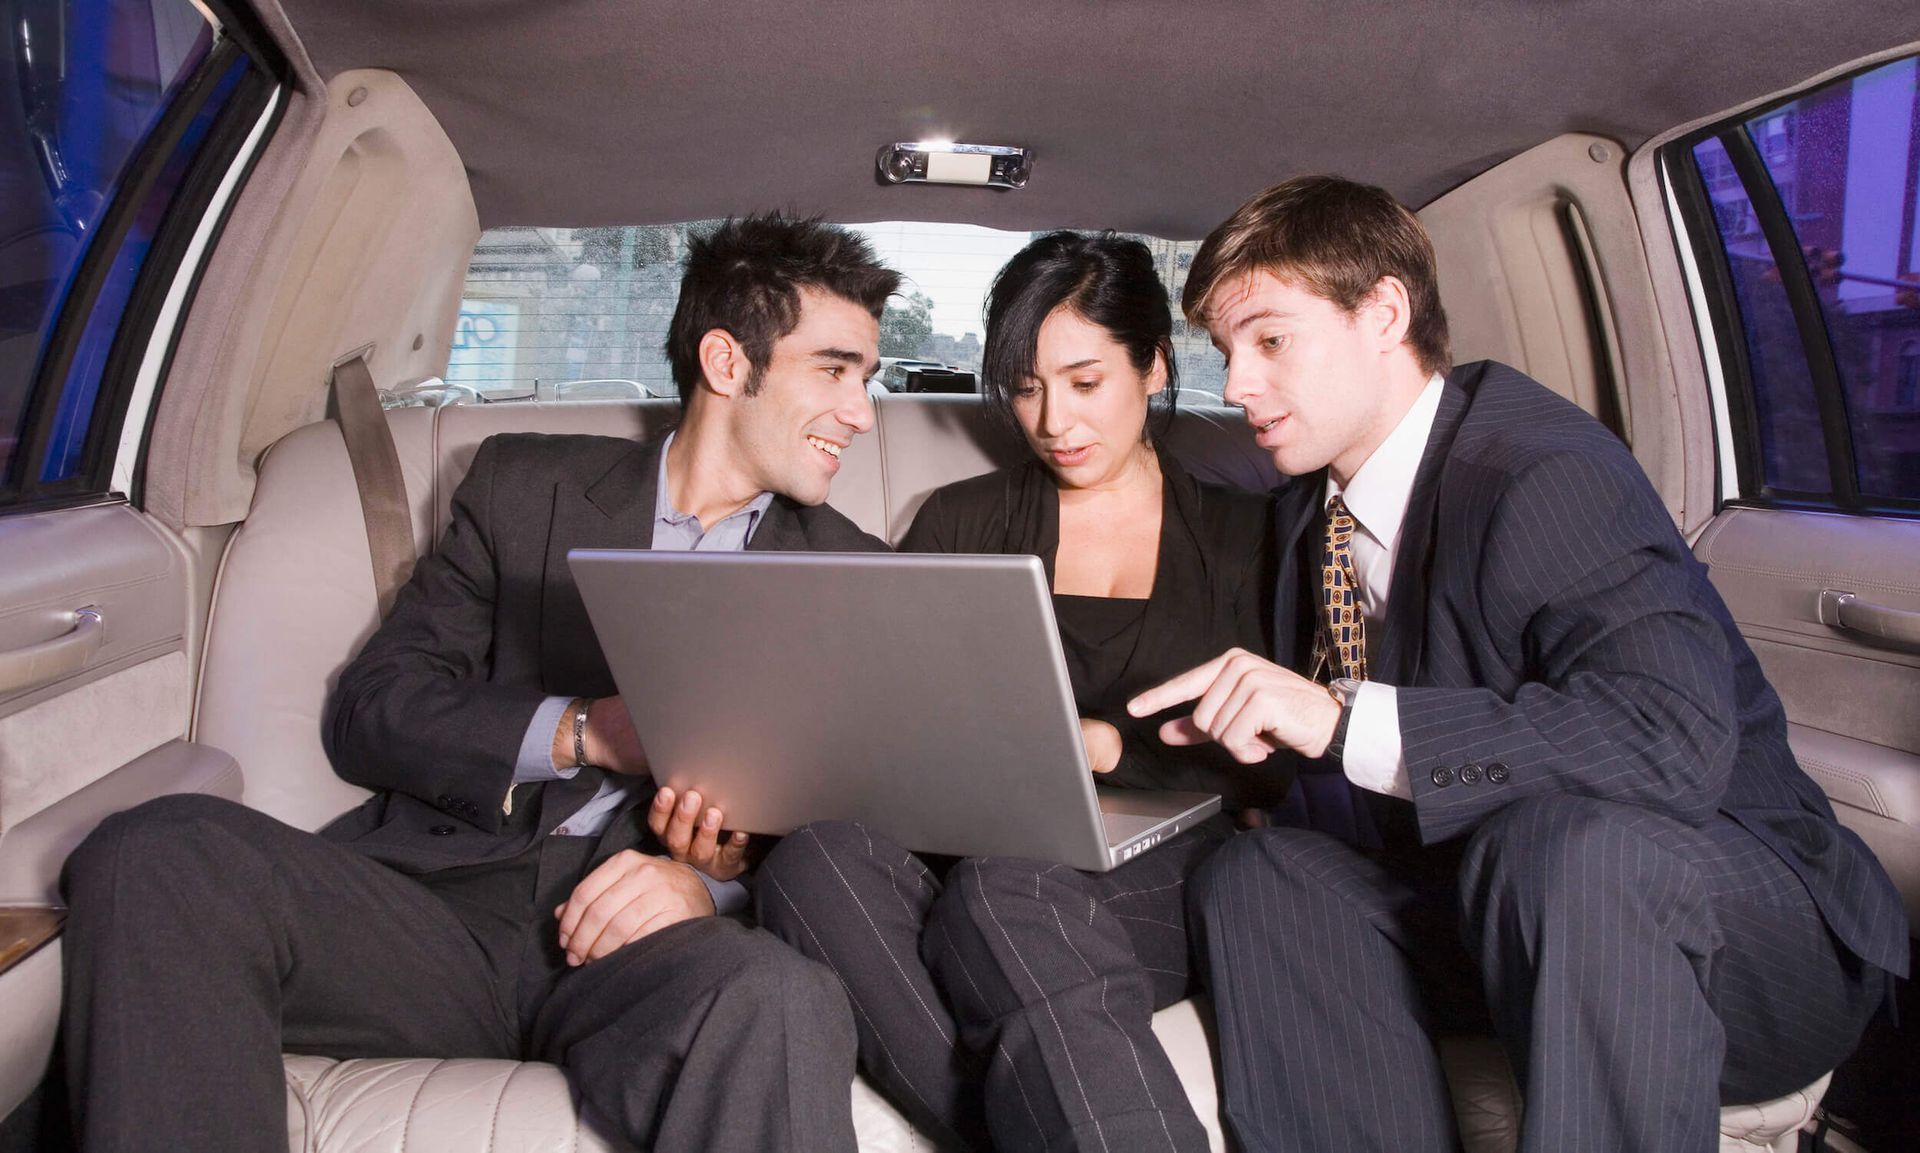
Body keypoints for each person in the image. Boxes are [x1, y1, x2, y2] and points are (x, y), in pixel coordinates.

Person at [58, 215, 900, 1152]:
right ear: (726, 362)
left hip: (650, 951)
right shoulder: (522, 487)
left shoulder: (853, 572)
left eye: (867, 379)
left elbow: (864, 825)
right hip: (431, 914)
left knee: (780, 995)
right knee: (155, 849)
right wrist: (584, 728)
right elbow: (373, 709)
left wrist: (713, 884)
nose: (863, 412)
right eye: (834, 369)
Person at [1127, 175, 1909, 1152]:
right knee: (1262, 875)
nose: (1236, 386)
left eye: (1271, 340)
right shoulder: (1306, 518)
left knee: (1554, 846)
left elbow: (1674, 744)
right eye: (1225, 351)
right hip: (1500, 908)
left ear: (1383, 313)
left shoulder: (1540, 470)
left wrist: (1340, 719)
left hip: (1734, 932)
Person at [755, 231, 1280, 1151]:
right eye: (1028, 390)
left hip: (1160, 860)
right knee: (810, 866)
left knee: (1009, 891)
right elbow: (882, 710)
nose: (1054, 422)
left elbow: (1281, 752)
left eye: (1085, 383)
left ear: (1154, 365)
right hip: (966, 843)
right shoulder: (962, 519)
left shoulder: (1250, 535)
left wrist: (1109, 744)